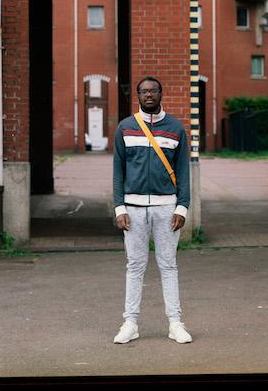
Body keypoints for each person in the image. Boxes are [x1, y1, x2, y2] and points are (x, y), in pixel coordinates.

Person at [112, 76, 192, 344]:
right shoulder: (126, 127)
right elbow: (118, 172)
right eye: (143, 91)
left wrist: (182, 207)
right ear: (138, 96)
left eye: (153, 91)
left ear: (160, 93)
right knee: (135, 266)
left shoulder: (176, 129)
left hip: (167, 207)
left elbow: (183, 172)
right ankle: (130, 323)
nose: (148, 95)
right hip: (132, 209)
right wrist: (118, 207)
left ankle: (175, 323)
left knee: (168, 266)